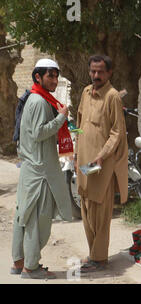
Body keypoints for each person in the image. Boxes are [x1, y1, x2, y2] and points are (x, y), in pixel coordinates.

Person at [11, 58, 73, 279]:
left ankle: (19, 262)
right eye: (50, 76)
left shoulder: (38, 97)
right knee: (39, 220)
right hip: (41, 173)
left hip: (33, 169)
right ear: (38, 77)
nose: (55, 80)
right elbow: (38, 133)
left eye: (56, 76)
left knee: (24, 217)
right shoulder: (38, 101)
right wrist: (61, 118)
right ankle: (31, 267)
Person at [75, 54, 128, 272]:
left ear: (109, 73)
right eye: (93, 71)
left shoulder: (113, 96)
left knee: (101, 210)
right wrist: (76, 149)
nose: (96, 75)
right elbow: (79, 122)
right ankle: (93, 254)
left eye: (100, 72)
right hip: (84, 162)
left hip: (102, 164)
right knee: (86, 208)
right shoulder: (86, 92)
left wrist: (102, 155)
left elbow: (116, 132)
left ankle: (100, 258)